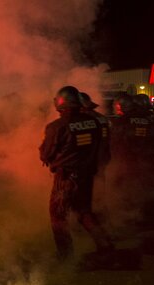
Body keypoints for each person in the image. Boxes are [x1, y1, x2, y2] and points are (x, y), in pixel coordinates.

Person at [39, 86, 114, 262]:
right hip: (87, 175)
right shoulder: (93, 122)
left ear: (61, 103)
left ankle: (65, 255)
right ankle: (105, 245)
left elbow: (46, 154)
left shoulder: (57, 126)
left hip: (65, 178)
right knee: (84, 212)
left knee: (58, 215)